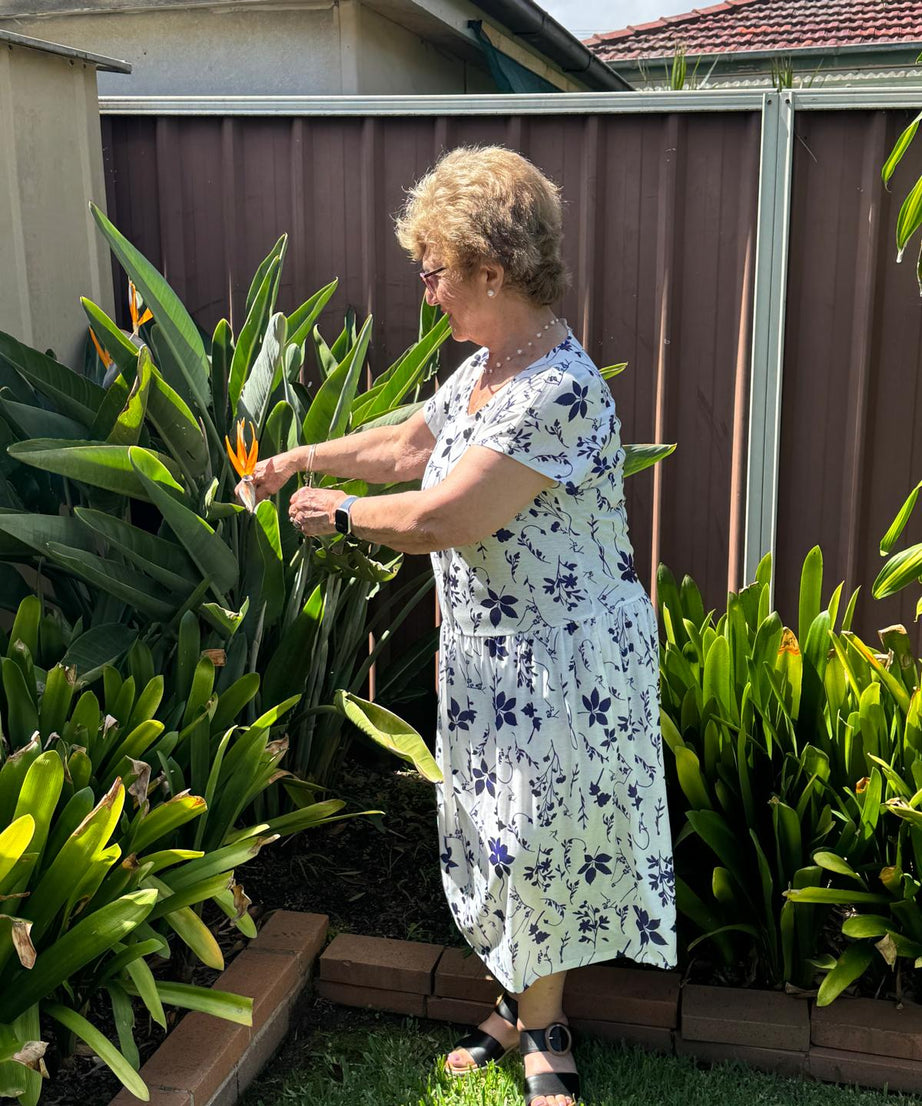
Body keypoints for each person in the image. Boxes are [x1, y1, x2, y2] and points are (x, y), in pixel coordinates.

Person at [242, 145, 676, 1106]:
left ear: (492, 266)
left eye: (435, 269)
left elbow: (449, 516)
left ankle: (542, 1026)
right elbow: (408, 443)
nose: (427, 290)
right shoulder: (490, 368)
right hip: (491, 651)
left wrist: (337, 513)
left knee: (540, 835)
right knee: (490, 832)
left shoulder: (556, 387)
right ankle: (518, 1003)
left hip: (565, 661)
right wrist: (299, 457)